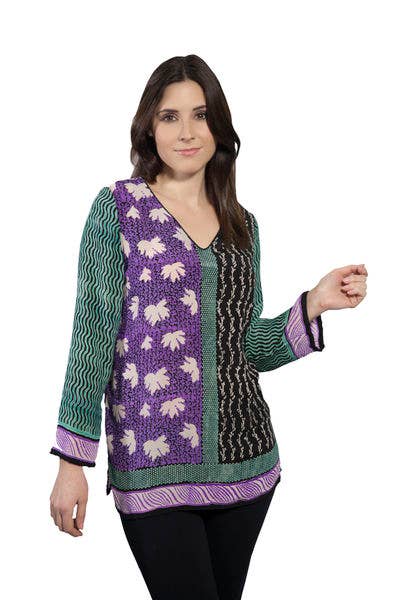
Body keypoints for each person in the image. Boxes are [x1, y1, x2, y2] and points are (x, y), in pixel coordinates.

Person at [49, 54, 368, 600]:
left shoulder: (244, 226)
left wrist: (314, 303)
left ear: (218, 126)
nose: (187, 132)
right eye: (170, 116)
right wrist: (73, 461)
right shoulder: (118, 209)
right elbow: (91, 339)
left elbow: (248, 347)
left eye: (200, 115)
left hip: (247, 464)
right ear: (150, 127)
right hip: (152, 467)